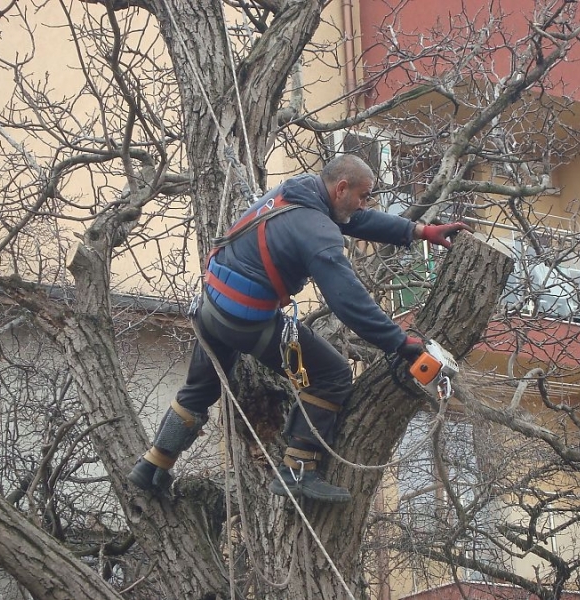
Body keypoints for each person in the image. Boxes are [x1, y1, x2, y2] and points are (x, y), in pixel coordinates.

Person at [128, 154, 470, 503]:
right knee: (332, 374)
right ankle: (298, 470)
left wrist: (419, 231)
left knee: (200, 389)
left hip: (211, 308)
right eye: (364, 196)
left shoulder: (300, 190)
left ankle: (153, 464)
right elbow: (348, 300)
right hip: (246, 321)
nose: (365, 204)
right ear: (341, 188)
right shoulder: (316, 229)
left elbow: (356, 219)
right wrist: (399, 343)